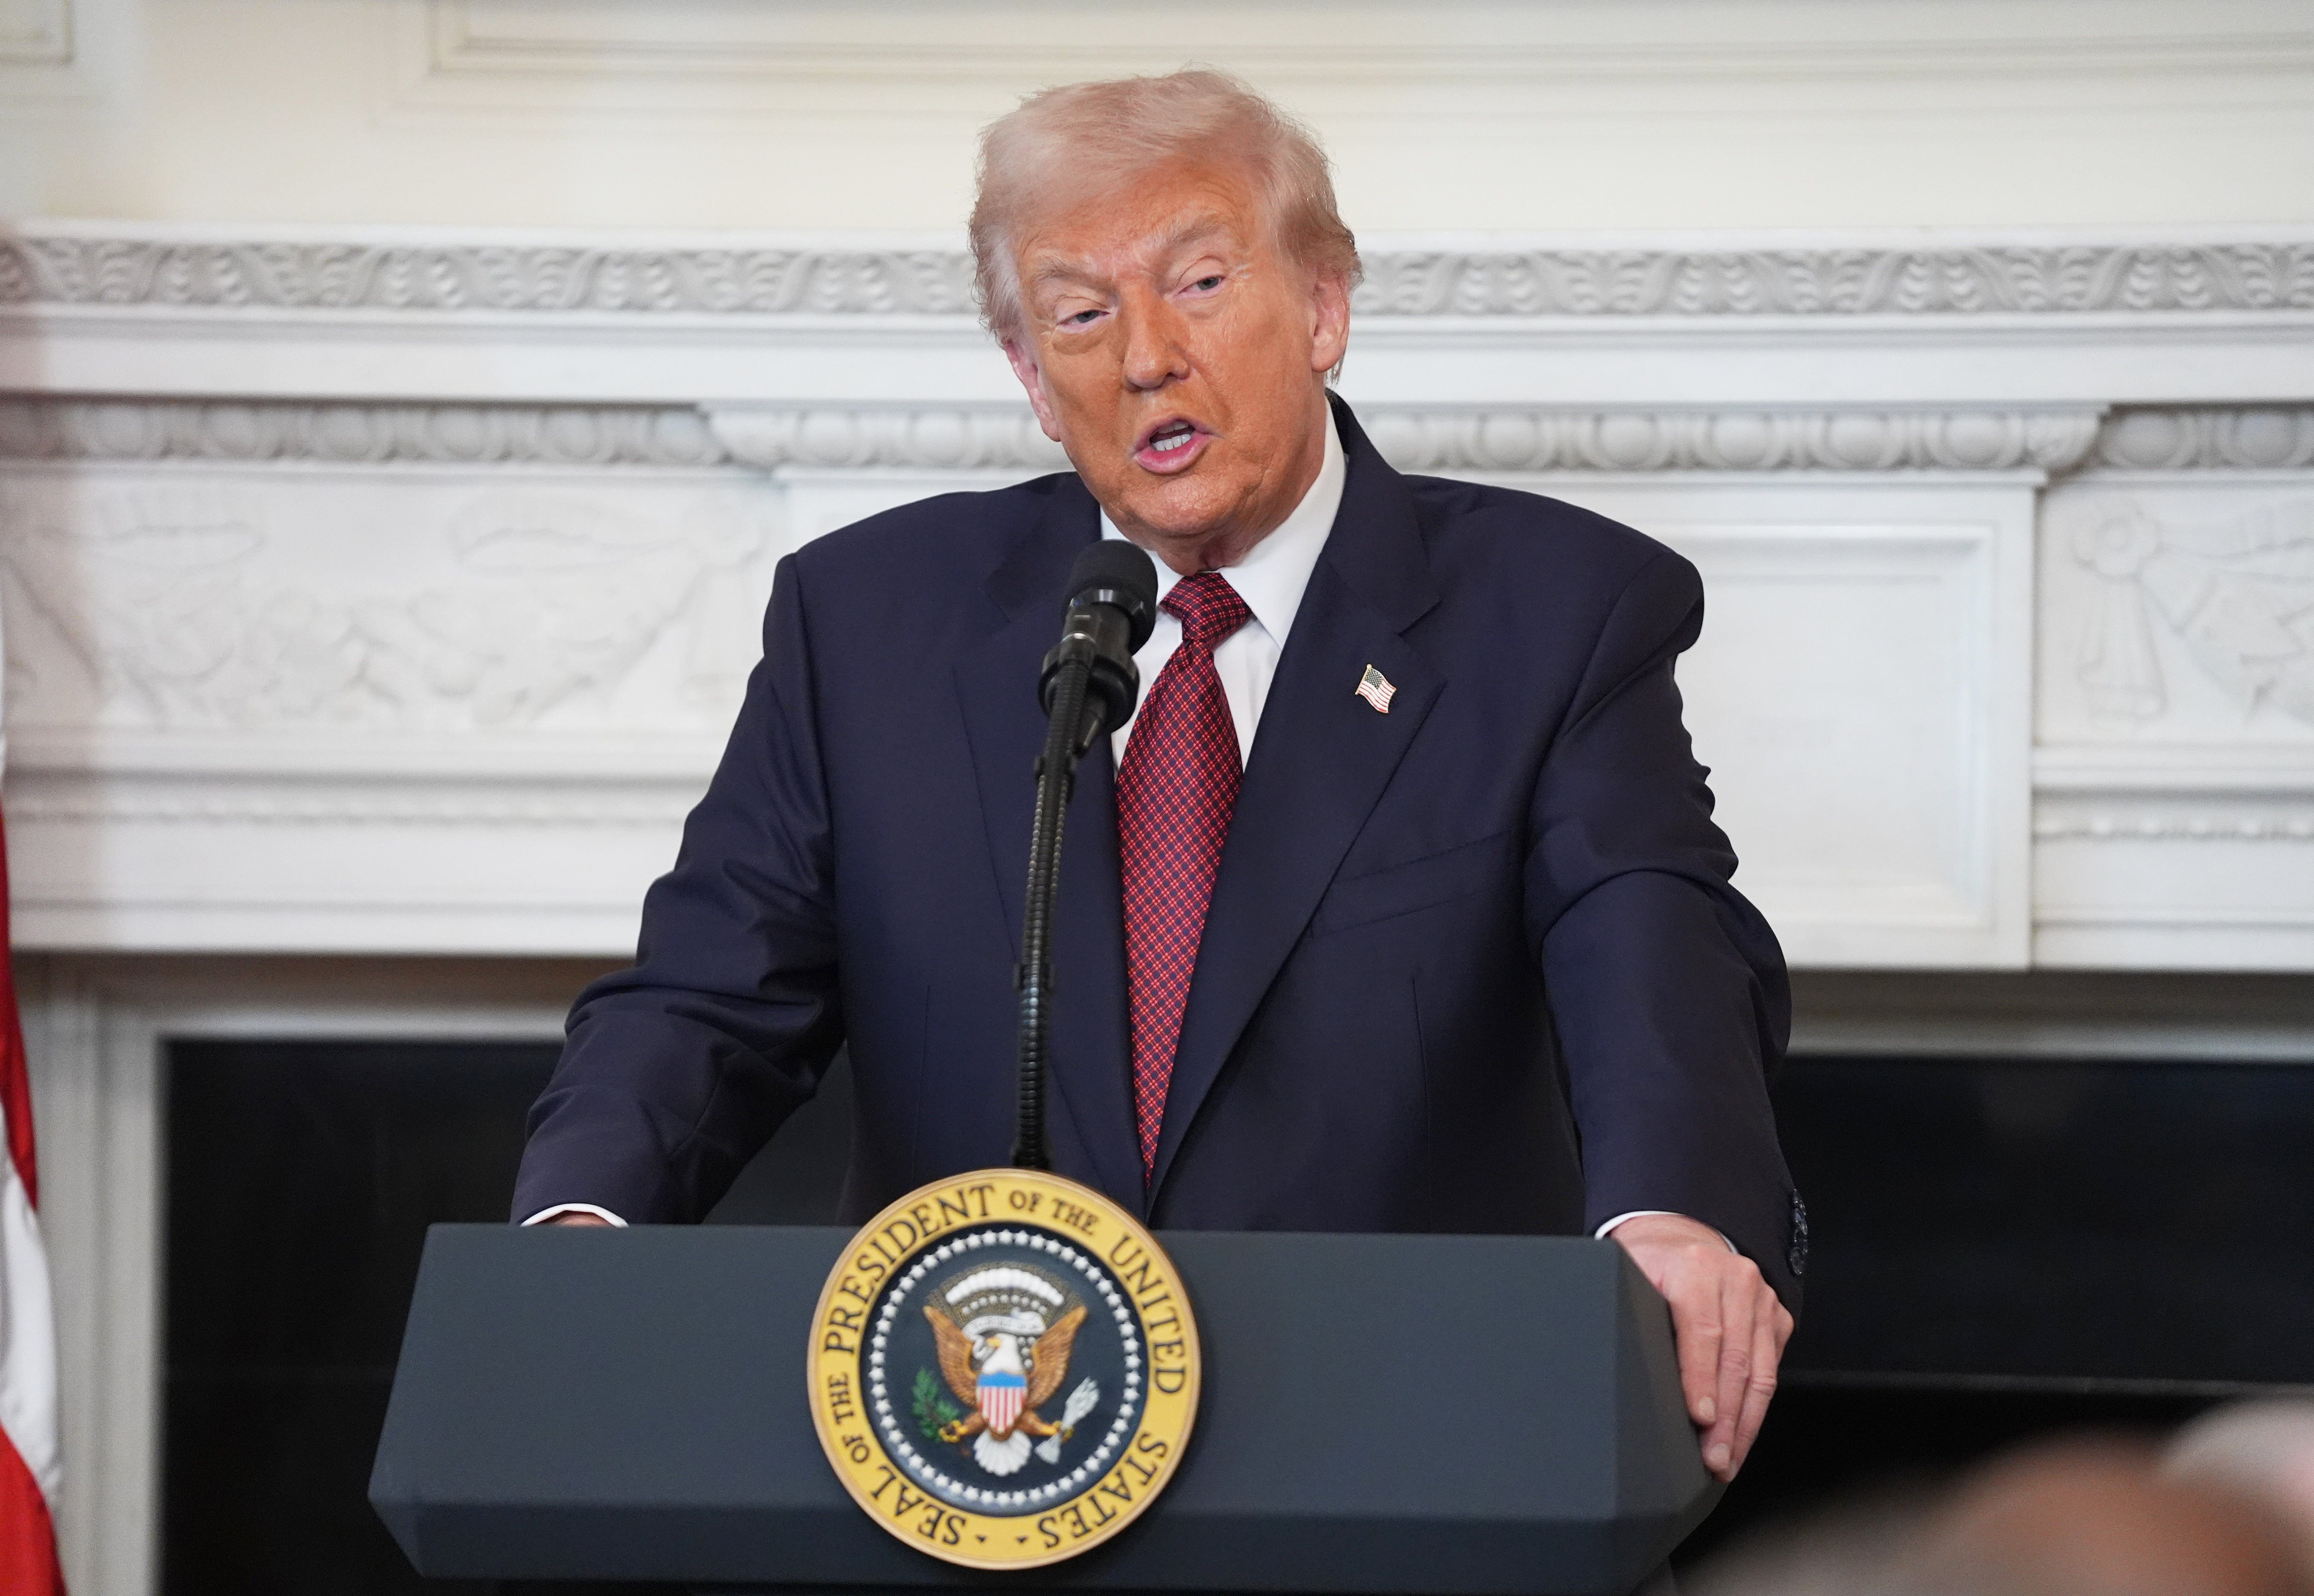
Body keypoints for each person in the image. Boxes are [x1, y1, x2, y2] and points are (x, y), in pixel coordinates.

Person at [512, 69, 1802, 1483]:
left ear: (1323, 307)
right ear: (1029, 376)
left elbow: (1654, 948)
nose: (1145, 356)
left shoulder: (1555, 613)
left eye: (1198, 282)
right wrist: (582, 1234)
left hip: (1403, 1467)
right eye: (1079, 313)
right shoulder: (867, 623)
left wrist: (1675, 1217)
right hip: (980, 1487)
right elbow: (706, 993)